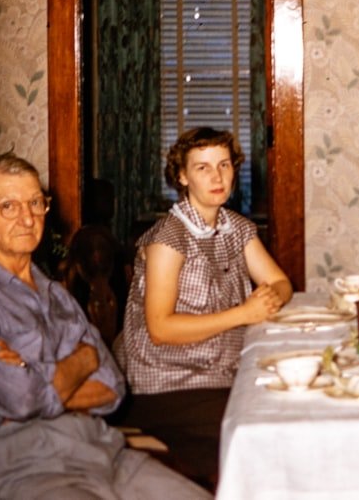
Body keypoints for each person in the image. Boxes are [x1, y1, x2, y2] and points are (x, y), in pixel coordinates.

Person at [0, 153, 210, 500]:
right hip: (24, 466)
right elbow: (23, 399)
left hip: (104, 451)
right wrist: (83, 360)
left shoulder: (57, 293)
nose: (27, 218)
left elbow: (112, 387)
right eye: (8, 206)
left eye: (36, 203)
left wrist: (33, 373)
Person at [119, 126, 293, 489]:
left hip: (225, 371)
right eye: (203, 168)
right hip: (171, 385)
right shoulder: (169, 238)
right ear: (182, 176)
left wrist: (269, 298)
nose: (217, 177)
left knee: (291, 407)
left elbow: (280, 283)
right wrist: (246, 313)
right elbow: (160, 328)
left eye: (225, 165)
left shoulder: (237, 228)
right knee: (270, 438)